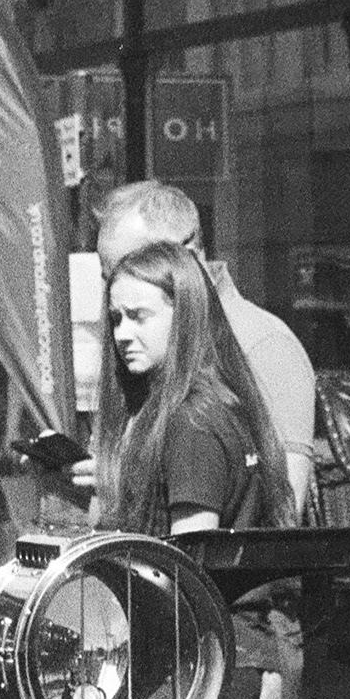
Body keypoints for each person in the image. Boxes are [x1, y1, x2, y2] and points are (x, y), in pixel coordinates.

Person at [95, 178, 317, 518]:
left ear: (185, 254)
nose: (118, 285)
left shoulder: (266, 345)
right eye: (108, 275)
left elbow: (283, 509)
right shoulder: (146, 351)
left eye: (137, 265)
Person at [92, 241, 271, 538]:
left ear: (184, 315)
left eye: (138, 316)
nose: (121, 334)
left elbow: (187, 562)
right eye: (116, 318)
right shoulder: (206, 403)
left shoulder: (191, 421)